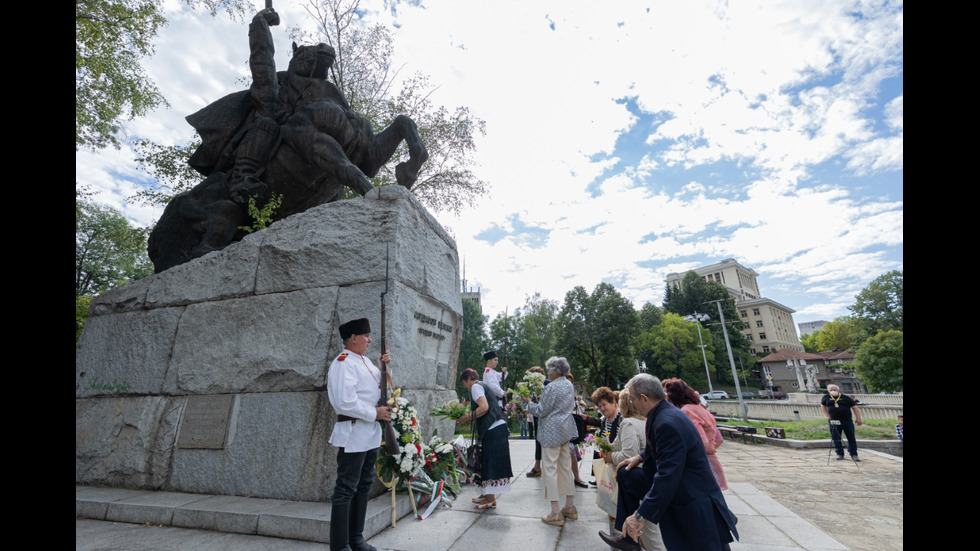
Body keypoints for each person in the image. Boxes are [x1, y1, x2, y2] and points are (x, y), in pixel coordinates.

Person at [598, 374, 738, 551]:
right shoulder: (661, 414)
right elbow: (656, 446)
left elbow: (667, 476)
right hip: (681, 489)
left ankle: (632, 532)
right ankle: (629, 541)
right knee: (627, 474)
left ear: (644, 398)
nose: (631, 404)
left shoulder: (667, 422)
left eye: (632, 399)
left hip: (692, 501)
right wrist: (639, 457)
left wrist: (639, 517)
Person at [327, 318, 392, 551]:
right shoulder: (343, 363)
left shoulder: (365, 362)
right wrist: (374, 413)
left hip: (370, 434)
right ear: (353, 338)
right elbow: (345, 402)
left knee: (364, 486)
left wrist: (385, 367)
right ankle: (340, 545)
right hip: (353, 433)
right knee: (346, 488)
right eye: (366, 336)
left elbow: (383, 390)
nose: (370, 340)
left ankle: (356, 538)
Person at [601, 384, 666, 551]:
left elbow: (627, 454)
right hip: (651, 477)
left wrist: (610, 456)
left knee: (650, 532)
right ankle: (629, 539)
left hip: (643, 481)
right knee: (650, 531)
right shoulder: (646, 421)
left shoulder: (628, 423)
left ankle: (629, 539)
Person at [522, 356, 580, 526]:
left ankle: (555, 511)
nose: (548, 373)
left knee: (549, 469)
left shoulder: (551, 387)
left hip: (551, 432)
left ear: (554, 371)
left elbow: (541, 410)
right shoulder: (569, 384)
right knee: (565, 467)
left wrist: (528, 404)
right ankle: (570, 506)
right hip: (566, 429)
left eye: (549, 370)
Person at [456, 368, 514, 509]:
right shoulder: (483, 385)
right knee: (487, 461)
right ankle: (485, 493)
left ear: (469, 379)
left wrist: (468, 417)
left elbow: (484, 407)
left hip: (492, 428)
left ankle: (490, 498)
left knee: (490, 462)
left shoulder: (475, 386)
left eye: (464, 383)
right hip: (496, 427)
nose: (466, 387)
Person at [663, 378, 728, 490]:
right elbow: (718, 440)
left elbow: (702, 443)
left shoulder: (686, 411)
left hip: (700, 465)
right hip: (710, 462)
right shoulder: (698, 408)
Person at [582, 386, 622, 486]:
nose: (602, 408)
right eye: (599, 406)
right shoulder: (604, 420)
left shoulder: (622, 419)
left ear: (613, 401)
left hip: (619, 464)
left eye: (604, 404)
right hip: (608, 465)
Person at [820, 384, 864, 461]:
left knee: (851, 438)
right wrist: (827, 416)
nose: (833, 391)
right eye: (831, 390)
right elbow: (823, 406)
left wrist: (858, 418)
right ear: (828, 391)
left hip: (847, 420)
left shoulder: (845, 397)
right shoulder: (826, 397)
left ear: (838, 390)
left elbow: (855, 407)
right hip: (834, 421)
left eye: (834, 390)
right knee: (836, 438)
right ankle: (839, 453)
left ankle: (853, 453)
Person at [526, 366, 546, 478]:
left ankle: (539, 467)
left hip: (544, 419)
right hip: (538, 417)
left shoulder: (545, 386)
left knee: (541, 442)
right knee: (538, 441)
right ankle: (537, 466)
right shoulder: (535, 388)